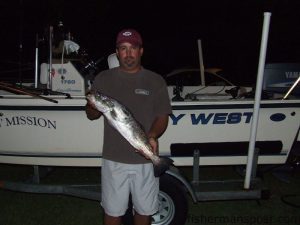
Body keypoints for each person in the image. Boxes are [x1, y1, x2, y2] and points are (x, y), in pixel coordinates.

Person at [85, 28, 172, 225]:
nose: (128, 53)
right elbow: (91, 115)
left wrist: (152, 136)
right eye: (123, 49)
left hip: (145, 160)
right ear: (117, 52)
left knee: (144, 211)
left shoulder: (155, 80)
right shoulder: (103, 79)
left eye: (133, 48)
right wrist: (93, 106)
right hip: (114, 160)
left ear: (141, 50)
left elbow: (162, 116)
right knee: (113, 212)